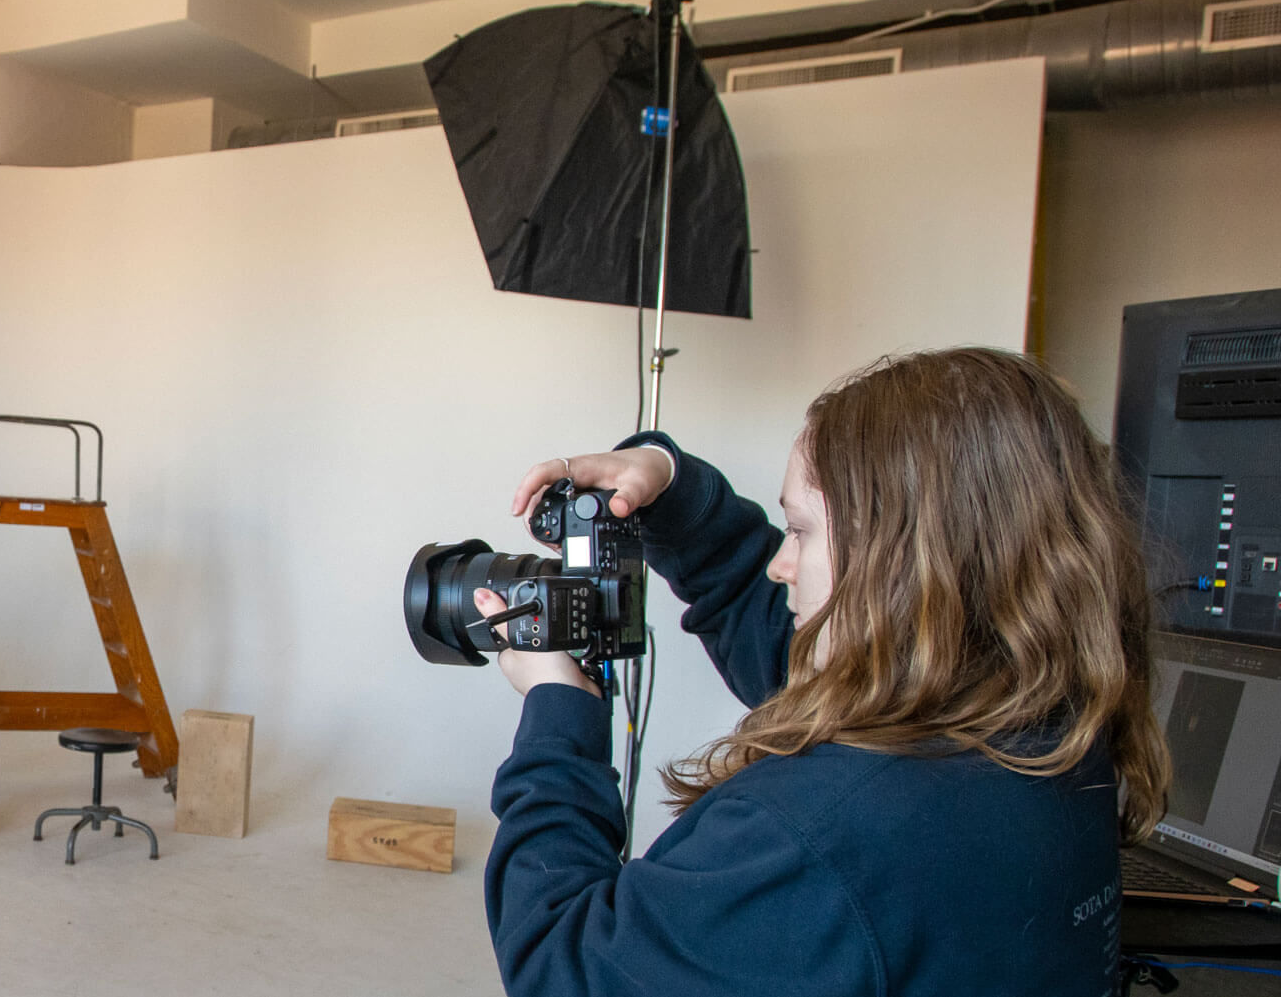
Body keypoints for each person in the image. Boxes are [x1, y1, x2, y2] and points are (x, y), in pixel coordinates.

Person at [475, 347, 1169, 995]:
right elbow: (796, 655)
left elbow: (564, 962)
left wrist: (558, 714)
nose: (782, 564)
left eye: (801, 532)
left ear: (901, 561)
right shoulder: (1051, 727)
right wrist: (672, 489)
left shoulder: (814, 837)